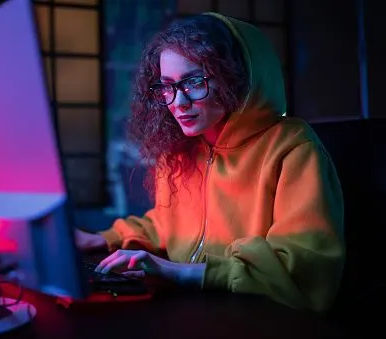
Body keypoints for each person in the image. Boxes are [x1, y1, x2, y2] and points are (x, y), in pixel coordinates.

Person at [76, 12, 345, 312]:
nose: (178, 103)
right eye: (167, 86)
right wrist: (98, 240)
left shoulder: (291, 145)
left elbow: (304, 269)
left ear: (235, 78)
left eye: (193, 82)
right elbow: (164, 224)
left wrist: (175, 271)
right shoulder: (180, 149)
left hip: (258, 316)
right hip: (186, 308)